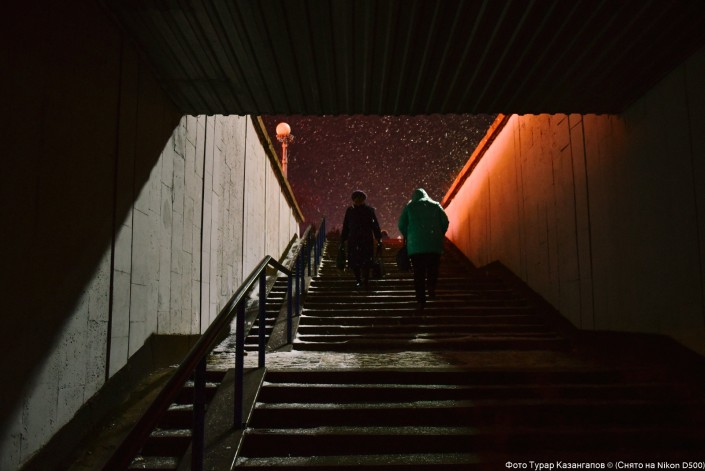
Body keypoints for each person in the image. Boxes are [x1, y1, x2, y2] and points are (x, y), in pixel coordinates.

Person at [397, 188, 449, 307]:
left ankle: (421, 299)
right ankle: (431, 287)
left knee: (418, 273)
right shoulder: (435, 205)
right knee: (433, 269)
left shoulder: (410, 207)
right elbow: (445, 222)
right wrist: (439, 234)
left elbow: (401, 224)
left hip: (415, 247)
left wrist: (409, 234)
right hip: (434, 245)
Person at [341, 190, 382, 288]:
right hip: (361, 239)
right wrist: (378, 237)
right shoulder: (364, 210)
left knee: (362, 261)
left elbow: (346, 226)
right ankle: (361, 280)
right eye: (357, 199)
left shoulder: (353, 210)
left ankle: (362, 280)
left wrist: (378, 237)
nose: (358, 201)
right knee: (361, 261)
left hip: (360, 240)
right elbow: (374, 225)